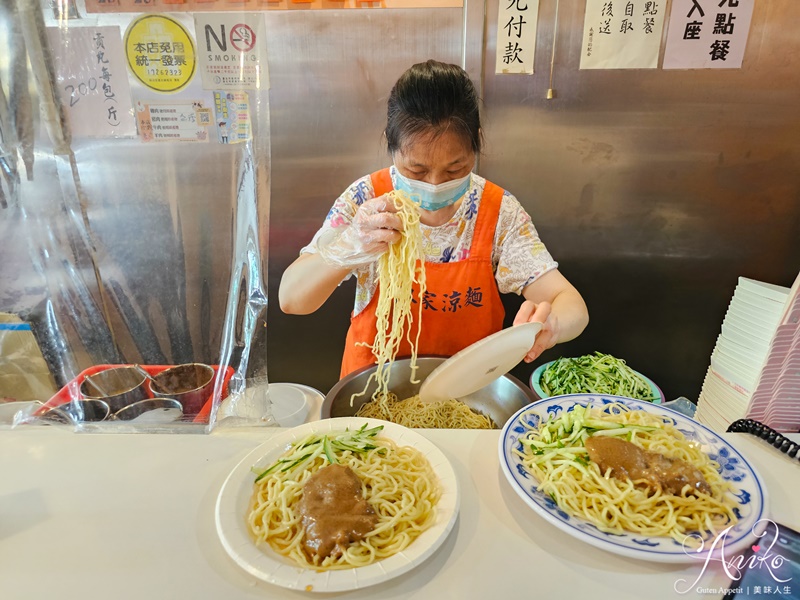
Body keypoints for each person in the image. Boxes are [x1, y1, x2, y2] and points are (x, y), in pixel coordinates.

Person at [279, 60, 588, 378]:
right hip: (372, 391)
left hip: (468, 396)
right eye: (417, 170)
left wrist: (551, 324)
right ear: (391, 145)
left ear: (476, 144)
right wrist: (349, 245)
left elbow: (570, 303)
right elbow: (291, 298)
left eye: (455, 169)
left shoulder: (498, 212)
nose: (436, 184)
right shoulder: (365, 202)